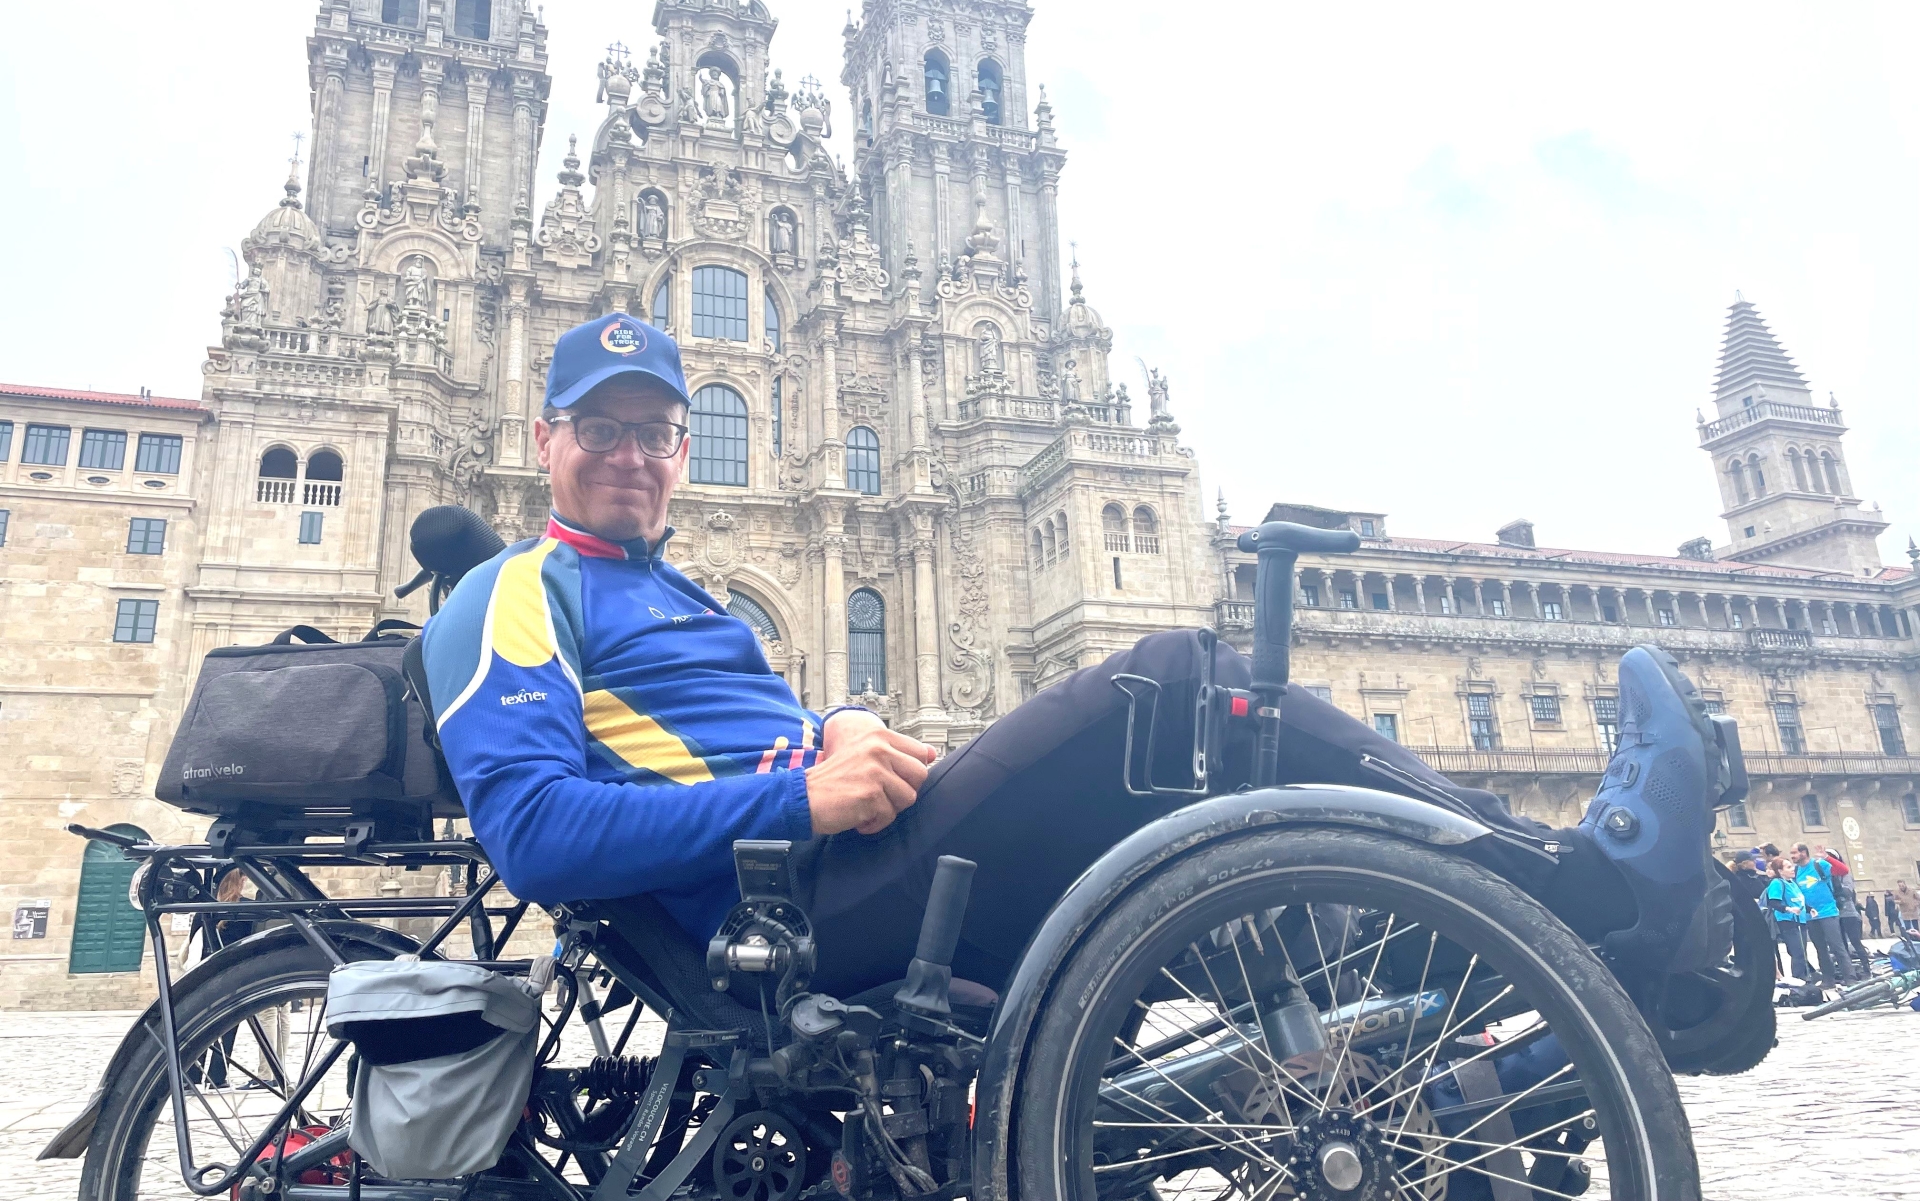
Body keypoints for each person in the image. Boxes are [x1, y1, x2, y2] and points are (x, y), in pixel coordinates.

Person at [421, 312, 1762, 1073]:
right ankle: (1588, 889)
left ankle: (1534, 986)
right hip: (799, 915)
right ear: (545, 440)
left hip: (858, 849)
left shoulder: (683, 591)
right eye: (601, 429)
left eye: (655, 431)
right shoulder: (519, 592)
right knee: (1179, 681)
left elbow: (711, 742)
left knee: (1205, 773)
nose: (636, 456)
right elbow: (535, 832)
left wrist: (831, 726)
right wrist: (804, 797)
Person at [1793, 844, 1857, 983]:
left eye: (1795, 853)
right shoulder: (1796, 870)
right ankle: (1828, 979)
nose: (1792, 856)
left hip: (1828, 911)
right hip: (1810, 915)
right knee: (1820, 949)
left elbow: (1843, 870)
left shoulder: (1819, 864)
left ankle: (1850, 978)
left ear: (1804, 852)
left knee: (1837, 946)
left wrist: (1827, 857)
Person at [1825, 849, 1873, 976]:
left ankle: (1866, 968)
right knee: (1841, 946)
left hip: (1848, 913)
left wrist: (1835, 887)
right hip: (1834, 914)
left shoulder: (1845, 875)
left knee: (1855, 941)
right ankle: (1848, 971)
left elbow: (1847, 892)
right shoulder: (1825, 875)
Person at [1764, 858, 1811, 982]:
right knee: (1798, 952)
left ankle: (1803, 977)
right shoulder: (1777, 883)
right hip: (1788, 921)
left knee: (1802, 952)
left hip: (1800, 920)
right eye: (1788, 867)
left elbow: (1799, 900)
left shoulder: (1792, 882)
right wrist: (1788, 909)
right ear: (1780, 871)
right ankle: (1799, 979)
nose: (1792, 869)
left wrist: (1809, 909)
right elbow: (1774, 902)